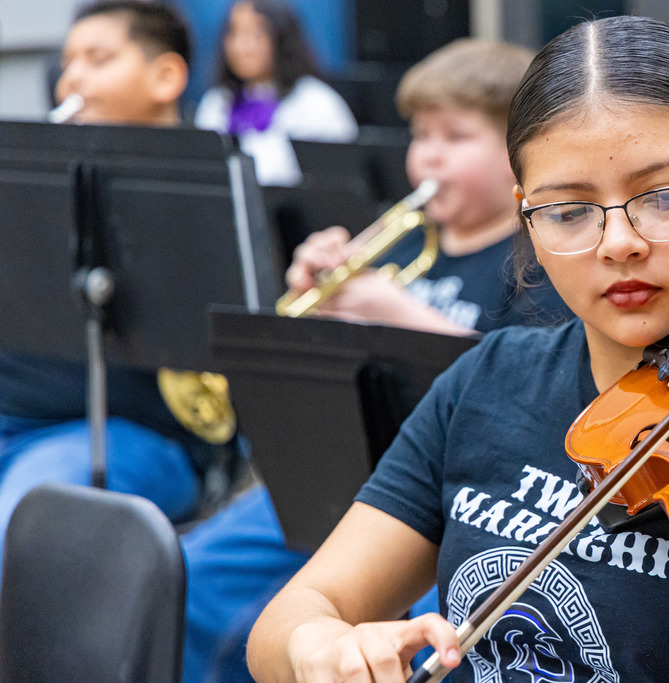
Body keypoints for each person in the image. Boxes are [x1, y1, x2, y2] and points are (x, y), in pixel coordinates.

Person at [246, 15, 669, 683]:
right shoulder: (487, 379)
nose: (618, 242)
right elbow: (294, 614)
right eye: (569, 211)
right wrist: (318, 645)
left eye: (662, 197)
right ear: (527, 217)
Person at [181, 38, 569, 683]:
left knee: (409, 641)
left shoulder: (539, 262)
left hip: (449, 502)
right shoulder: (404, 242)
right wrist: (320, 301)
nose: (430, 156)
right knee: (190, 576)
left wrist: (399, 314)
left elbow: (533, 385)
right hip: (337, 474)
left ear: (518, 156)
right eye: (421, 135)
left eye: (456, 135)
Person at [0, 2, 217, 555]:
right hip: (15, 418)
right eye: (68, 60)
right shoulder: (31, 180)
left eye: (97, 59)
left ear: (165, 76)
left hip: (134, 434)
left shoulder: (207, 196)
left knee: (17, 534)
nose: (73, 76)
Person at [193, 0, 357, 186]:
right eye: (234, 32)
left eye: (256, 34)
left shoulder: (316, 103)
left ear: (282, 38)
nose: (242, 47)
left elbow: (343, 180)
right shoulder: (217, 103)